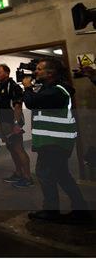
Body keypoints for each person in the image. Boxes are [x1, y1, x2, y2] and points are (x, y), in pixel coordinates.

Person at [23, 59, 91, 224]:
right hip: (53, 140)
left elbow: (32, 102)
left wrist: (27, 87)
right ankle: (80, 209)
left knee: (45, 174)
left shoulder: (58, 91)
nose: (35, 72)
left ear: (50, 73)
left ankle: (51, 211)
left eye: (39, 69)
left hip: (55, 141)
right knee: (62, 175)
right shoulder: (51, 89)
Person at [0, 64, 33, 188]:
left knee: (18, 148)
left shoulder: (13, 86)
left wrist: (16, 124)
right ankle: (18, 173)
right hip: (4, 122)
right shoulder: (2, 86)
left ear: (7, 73)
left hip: (12, 122)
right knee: (11, 148)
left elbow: (17, 106)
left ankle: (27, 178)